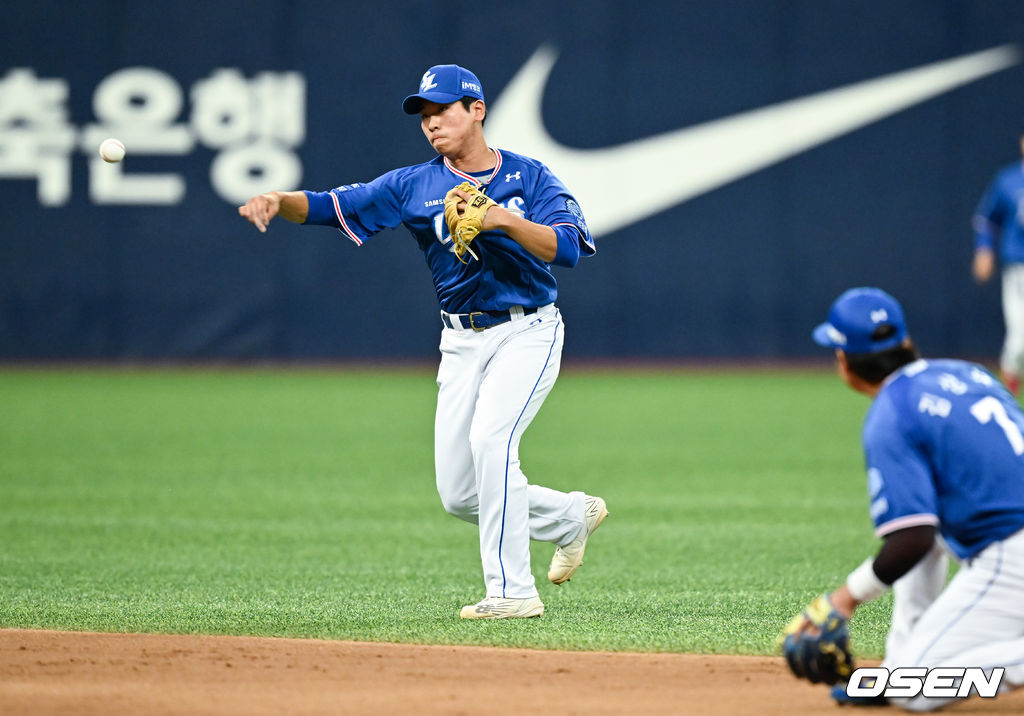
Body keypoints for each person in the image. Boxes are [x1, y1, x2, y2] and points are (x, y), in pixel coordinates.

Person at [238, 64, 606, 619]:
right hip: (460, 341)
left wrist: (500, 220)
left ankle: (512, 593)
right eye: (424, 115)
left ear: (476, 109)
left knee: (491, 445)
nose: (431, 123)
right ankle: (568, 518)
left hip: (527, 329)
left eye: (443, 110)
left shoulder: (530, 177)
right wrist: (277, 200)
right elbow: (332, 204)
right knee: (460, 493)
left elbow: (569, 248)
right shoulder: (414, 185)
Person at [792, 287, 1024, 710]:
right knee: (906, 672)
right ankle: (899, 664)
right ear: (904, 341)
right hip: (1010, 543)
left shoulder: (892, 413)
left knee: (915, 688)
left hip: (1013, 555)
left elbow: (911, 538)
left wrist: (842, 600)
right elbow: (925, 536)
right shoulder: (968, 373)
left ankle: (905, 674)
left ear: (844, 361)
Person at [971, 133, 1024, 396]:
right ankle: (1009, 391)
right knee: (1020, 336)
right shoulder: (1009, 180)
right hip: (1019, 269)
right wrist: (984, 250)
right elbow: (986, 218)